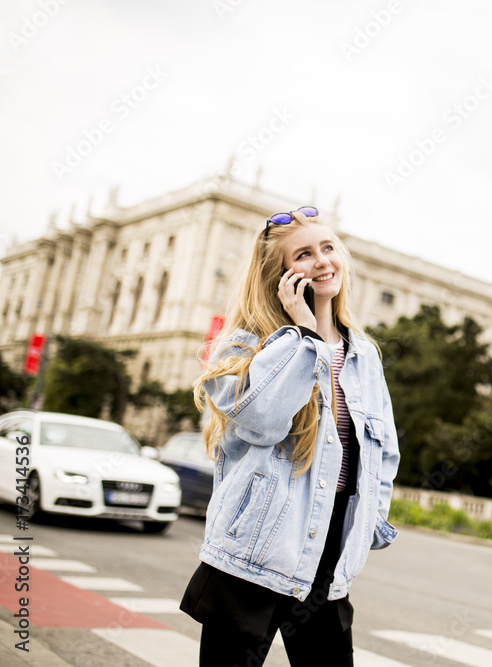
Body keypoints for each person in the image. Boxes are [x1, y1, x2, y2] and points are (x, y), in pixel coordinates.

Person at [180, 206, 400, 666]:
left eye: (328, 247)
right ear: (281, 276)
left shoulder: (364, 355)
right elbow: (262, 419)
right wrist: (302, 333)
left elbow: (383, 454)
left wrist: (371, 520)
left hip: (328, 552)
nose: (323, 261)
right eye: (303, 254)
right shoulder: (245, 344)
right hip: (254, 553)